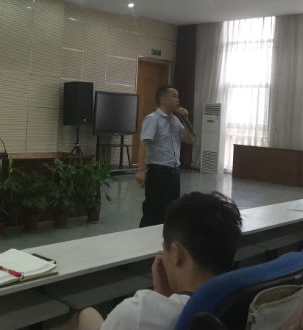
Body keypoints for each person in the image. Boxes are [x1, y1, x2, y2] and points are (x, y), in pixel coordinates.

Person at [53, 191, 243, 330]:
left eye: (165, 249)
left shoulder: (138, 314)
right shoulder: (242, 303)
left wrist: (157, 301)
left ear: (176, 254)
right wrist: (163, 297)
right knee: (87, 315)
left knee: (81, 318)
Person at [136, 85, 195, 227]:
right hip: (158, 173)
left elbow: (189, 139)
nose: (178, 99)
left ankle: (165, 237)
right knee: (153, 211)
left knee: (171, 211)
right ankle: (145, 238)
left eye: (178, 96)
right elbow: (144, 144)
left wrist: (185, 119)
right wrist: (141, 170)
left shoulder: (176, 120)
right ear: (163, 99)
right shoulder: (152, 119)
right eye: (174, 96)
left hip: (174, 174)